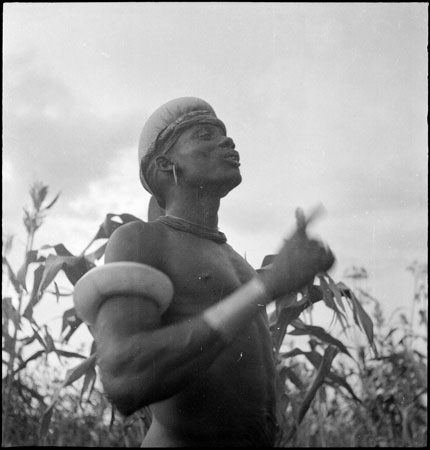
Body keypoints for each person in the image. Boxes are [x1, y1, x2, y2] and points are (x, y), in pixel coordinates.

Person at [76, 97, 335, 447]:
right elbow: (125, 377)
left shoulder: (236, 262)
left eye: (225, 134)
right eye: (204, 135)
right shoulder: (141, 240)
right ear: (167, 164)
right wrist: (268, 286)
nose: (227, 141)